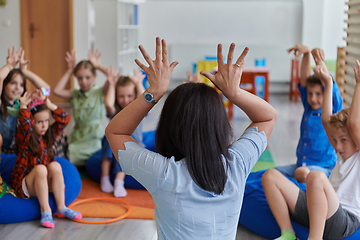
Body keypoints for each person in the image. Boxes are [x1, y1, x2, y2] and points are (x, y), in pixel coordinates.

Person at [105, 37, 277, 239]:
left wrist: (154, 92)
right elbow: (267, 117)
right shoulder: (237, 163)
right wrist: (234, 93)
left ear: (168, 126)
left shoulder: (163, 174)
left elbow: (116, 132)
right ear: (219, 125)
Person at [262, 55, 360, 240]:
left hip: (344, 219)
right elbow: (326, 119)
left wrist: (359, 84)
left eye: (344, 140)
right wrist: (328, 83)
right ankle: (288, 233)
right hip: (319, 212)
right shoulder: (343, 151)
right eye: (335, 140)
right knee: (270, 176)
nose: (337, 146)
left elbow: (354, 124)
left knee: (315, 176)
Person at [11, 89, 82, 228]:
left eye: (46, 121)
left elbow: (64, 118)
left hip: (43, 182)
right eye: (39, 122)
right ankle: (46, 210)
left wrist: (48, 104)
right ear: (32, 123)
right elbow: (24, 123)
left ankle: (61, 207)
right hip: (26, 185)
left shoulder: (48, 135)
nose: (44, 125)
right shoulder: (25, 137)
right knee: (41, 169)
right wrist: (24, 107)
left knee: (55, 166)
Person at [276, 45, 343, 182]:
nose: (313, 98)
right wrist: (306, 54)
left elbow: (329, 84)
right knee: (271, 174)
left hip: (324, 168)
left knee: (299, 176)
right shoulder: (308, 108)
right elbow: (305, 79)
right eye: (310, 94)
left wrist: (319, 62)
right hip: (302, 166)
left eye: (318, 94)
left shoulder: (332, 111)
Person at [53, 48, 109, 166]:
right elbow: (56, 90)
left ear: (94, 76)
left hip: (93, 140)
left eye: (87, 77)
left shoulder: (99, 93)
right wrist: (70, 70)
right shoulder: (75, 94)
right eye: (79, 78)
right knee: (55, 152)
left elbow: (111, 76)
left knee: (63, 158)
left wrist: (97, 66)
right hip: (76, 138)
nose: (83, 81)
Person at [99, 67, 146, 197]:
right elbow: (108, 104)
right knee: (109, 138)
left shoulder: (138, 110)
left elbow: (146, 99)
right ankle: (105, 178)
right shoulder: (115, 111)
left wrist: (138, 83)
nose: (125, 100)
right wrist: (112, 84)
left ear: (135, 95)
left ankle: (119, 181)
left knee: (122, 145)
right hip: (114, 145)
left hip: (133, 147)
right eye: (121, 96)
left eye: (129, 96)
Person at [0, 47, 51, 154]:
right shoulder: (1, 105)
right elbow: (0, 76)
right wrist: (9, 66)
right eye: (13, 83)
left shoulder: (24, 103)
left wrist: (24, 71)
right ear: (4, 84)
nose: (18, 88)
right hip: (5, 155)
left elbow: (46, 90)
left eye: (21, 84)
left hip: (24, 154)